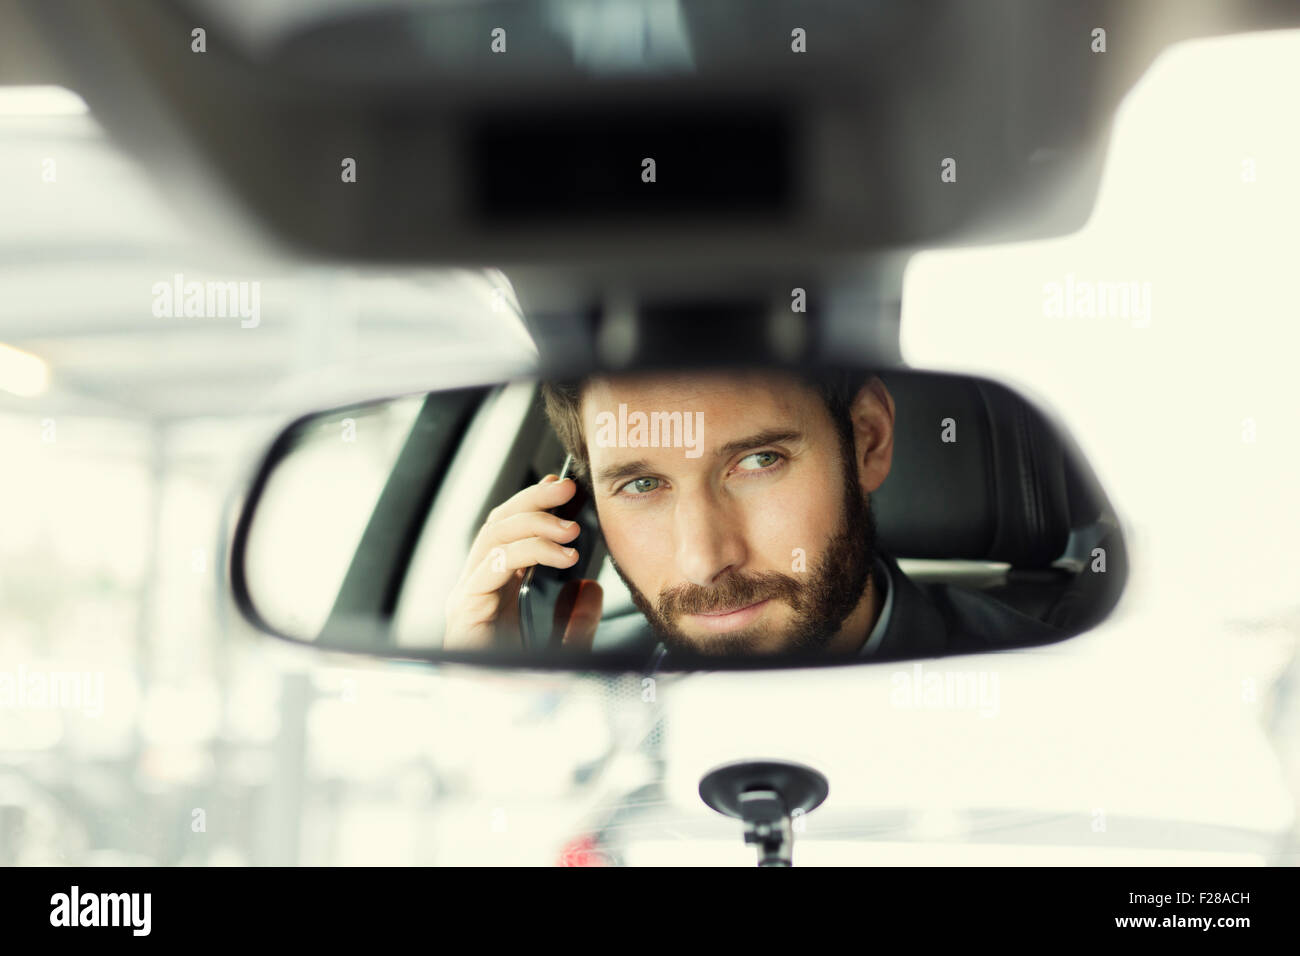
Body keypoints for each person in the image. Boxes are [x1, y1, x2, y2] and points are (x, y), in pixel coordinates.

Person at [444, 368, 1059, 657]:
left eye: (759, 461)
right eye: (642, 484)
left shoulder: (1045, 693)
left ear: (867, 439)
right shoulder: (576, 700)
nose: (705, 559)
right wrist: (488, 716)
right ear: (582, 504)